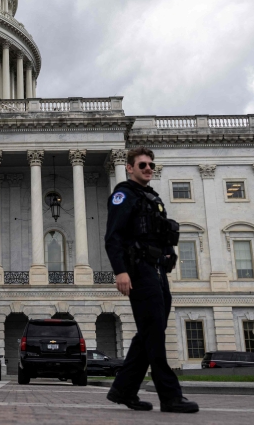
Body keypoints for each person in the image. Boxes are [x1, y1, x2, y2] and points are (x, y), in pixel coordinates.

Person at [104, 146, 199, 414]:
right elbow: (113, 237)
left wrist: (169, 255)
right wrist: (120, 271)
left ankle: (123, 390)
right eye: (142, 165)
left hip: (157, 271)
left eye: (150, 165)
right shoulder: (123, 194)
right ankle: (170, 396)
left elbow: (161, 234)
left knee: (149, 332)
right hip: (139, 271)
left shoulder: (152, 197)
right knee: (154, 334)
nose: (148, 169)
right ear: (130, 168)